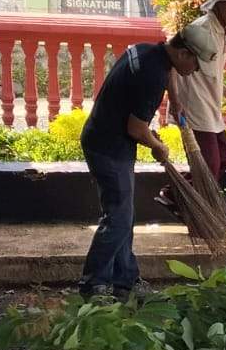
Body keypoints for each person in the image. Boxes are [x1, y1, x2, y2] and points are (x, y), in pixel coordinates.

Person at [77, 26, 218, 300]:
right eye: (195, 63)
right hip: (109, 146)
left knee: (123, 215)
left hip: (106, 138)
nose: (196, 70)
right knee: (117, 217)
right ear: (183, 52)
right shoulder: (151, 76)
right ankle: (93, 284)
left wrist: (176, 103)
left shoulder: (148, 51)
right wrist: (158, 146)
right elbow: (136, 129)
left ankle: (125, 281)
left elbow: (169, 75)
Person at [157, 0, 226, 217]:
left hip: (210, 103)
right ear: (217, 5)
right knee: (209, 164)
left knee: (225, 158)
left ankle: (181, 198)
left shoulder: (222, 30)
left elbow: (212, 72)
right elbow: (171, 56)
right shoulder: (200, 28)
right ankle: (174, 196)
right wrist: (176, 102)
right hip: (193, 104)